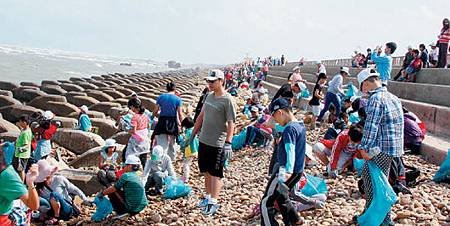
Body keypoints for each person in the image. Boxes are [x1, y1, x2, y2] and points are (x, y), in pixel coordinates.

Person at [356, 69, 404, 225]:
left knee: (375, 184)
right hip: (392, 147)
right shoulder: (393, 97)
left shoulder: (376, 99)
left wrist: (364, 148)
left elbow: (371, 127)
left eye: (362, 85)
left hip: (380, 148)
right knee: (373, 177)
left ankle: (383, 219)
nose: (362, 89)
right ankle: (370, 212)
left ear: (367, 83)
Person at [192, 69, 236, 215]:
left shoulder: (228, 100)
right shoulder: (209, 96)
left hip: (217, 143)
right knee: (206, 172)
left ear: (221, 81)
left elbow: (231, 123)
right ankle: (208, 197)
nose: (209, 83)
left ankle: (214, 203)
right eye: (208, 81)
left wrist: (228, 143)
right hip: (204, 140)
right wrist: (191, 136)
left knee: (216, 173)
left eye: (212, 81)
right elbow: (200, 117)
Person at [260, 98, 306, 226]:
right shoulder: (299, 125)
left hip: (285, 170)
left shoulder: (289, 130)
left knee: (266, 201)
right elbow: (277, 127)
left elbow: (290, 149)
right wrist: (273, 123)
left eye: (274, 116)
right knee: (281, 196)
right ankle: (293, 220)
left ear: (280, 112)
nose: (274, 119)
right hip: (298, 171)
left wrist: (288, 170)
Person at [35, 159, 91, 224]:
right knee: (38, 198)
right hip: (51, 211)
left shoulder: (59, 179)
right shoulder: (40, 187)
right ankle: (47, 216)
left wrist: (85, 199)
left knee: (54, 195)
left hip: (66, 209)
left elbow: (75, 190)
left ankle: (56, 217)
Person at [0, 144, 39, 225]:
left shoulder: (7, 175)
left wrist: (29, 183)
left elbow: (33, 205)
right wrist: (30, 183)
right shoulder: (7, 174)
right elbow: (33, 205)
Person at [153, 82, 184, 161]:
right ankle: (171, 159)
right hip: (172, 121)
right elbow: (180, 114)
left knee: (162, 143)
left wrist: (151, 117)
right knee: (172, 143)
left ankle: (162, 158)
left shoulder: (161, 97)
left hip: (162, 121)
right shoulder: (178, 99)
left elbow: (155, 111)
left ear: (166, 88)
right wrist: (183, 124)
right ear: (175, 89)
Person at [124, 98, 150, 164]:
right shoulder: (145, 116)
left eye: (130, 107)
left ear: (133, 106)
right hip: (145, 141)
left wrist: (125, 128)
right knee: (144, 160)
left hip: (136, 142)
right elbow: (147, 126)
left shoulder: (135, 117)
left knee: (128, 157)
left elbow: (133, 131)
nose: (130, 109)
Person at [13, 115, 33, 181]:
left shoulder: (25, 133)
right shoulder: (26, 130)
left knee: (21, 169)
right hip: (23, 154)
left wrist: (18, 149)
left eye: (20, 122)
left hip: (22, 155)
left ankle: (21, 182)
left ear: (24, 123)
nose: (19, 123)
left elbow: (26, 145)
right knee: (20, 169)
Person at [179, 117, 199, 182]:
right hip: (194, 149)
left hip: (189, 150)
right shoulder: (194, 130)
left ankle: (185, 178)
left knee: (186, 164)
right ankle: (185, 176)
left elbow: (187, 141)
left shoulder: (189, 132)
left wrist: (182, 145)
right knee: (188, 163)